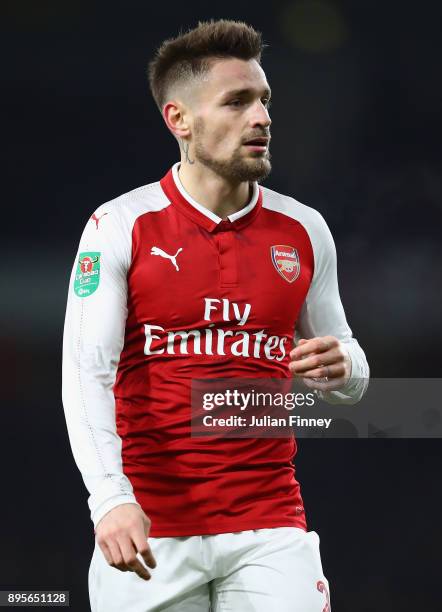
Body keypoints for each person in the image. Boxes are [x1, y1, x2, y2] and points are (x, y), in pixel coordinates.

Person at [61, 19, 369, 612]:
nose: (262, 117)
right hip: (151, 526)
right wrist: (109, 499)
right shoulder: (120, 226)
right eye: (237, 101)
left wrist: (344, 368)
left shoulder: (304, 230)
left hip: (271, 527)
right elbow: (85, 375)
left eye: (265, 100)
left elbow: (351, 373)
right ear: (179, 120)